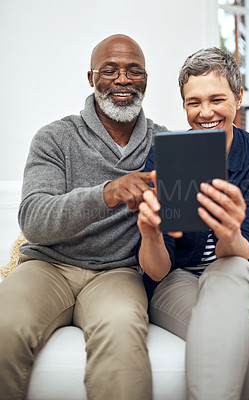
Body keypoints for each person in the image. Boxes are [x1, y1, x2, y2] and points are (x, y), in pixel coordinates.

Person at [0, 34, 167, 400]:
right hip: (48, 266)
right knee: (4, 325)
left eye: (133, 71)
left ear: (146, 81)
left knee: (123, 332)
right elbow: (34, 220)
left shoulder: (163, 143)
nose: (123, 80)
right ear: (91, 79)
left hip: (118, 273)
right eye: (110, 70)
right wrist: (108, 193)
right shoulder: (55, 138)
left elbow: (187, 219)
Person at [136, 47, 249, 400]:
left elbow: (243, 250)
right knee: (233, 337)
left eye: (217, 99)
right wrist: (149, 235)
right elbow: (158, 272)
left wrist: (229, 229)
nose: (205, 112)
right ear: (183, 105)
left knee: (226, 276)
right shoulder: (161, 157)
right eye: (193, 102)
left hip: (242, 272)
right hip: (179, 279)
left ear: (238, 98)